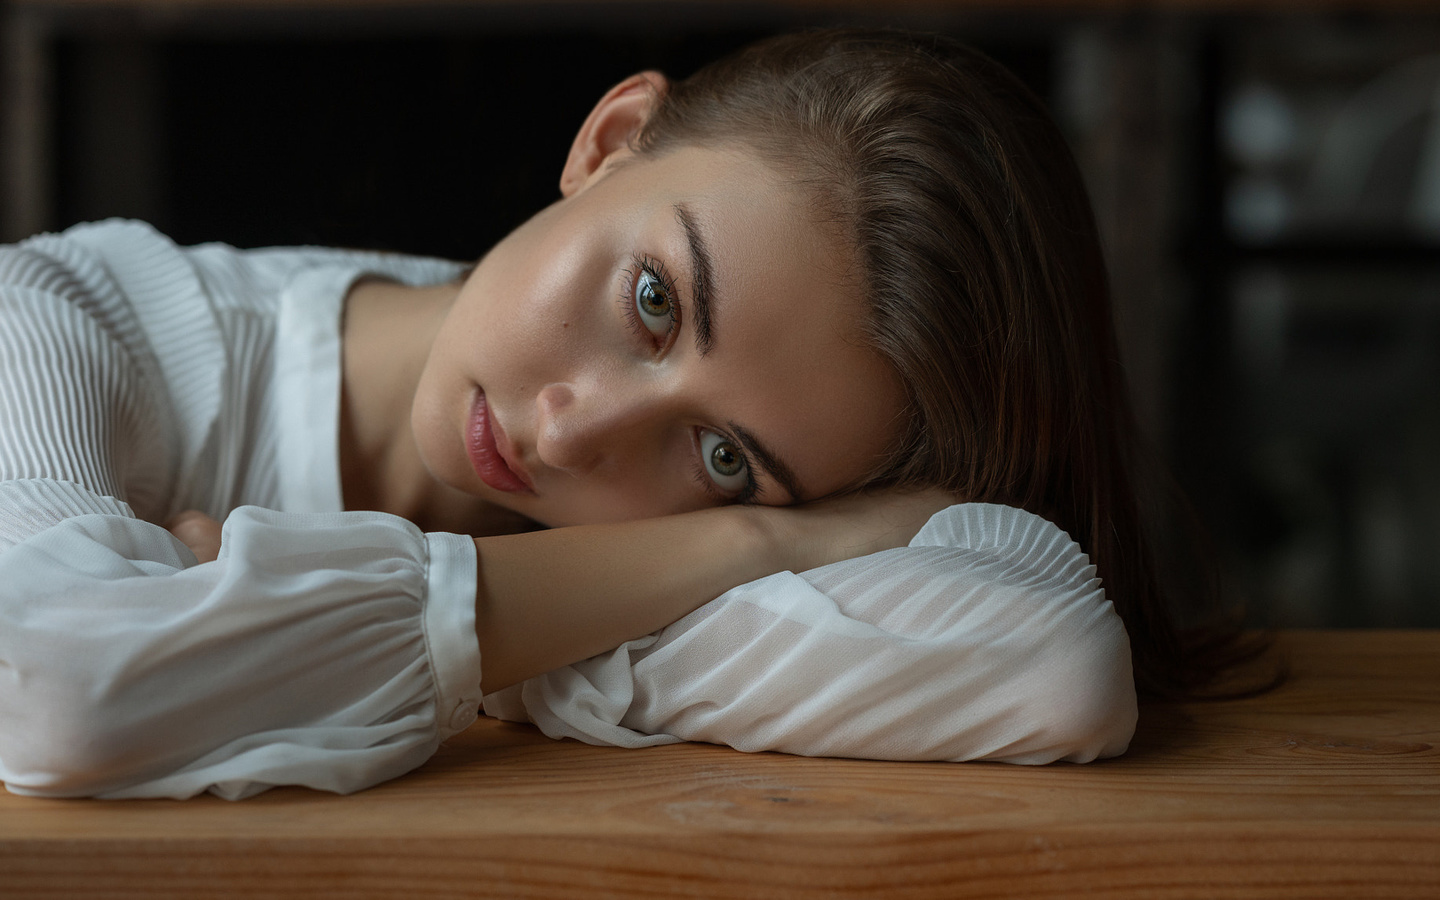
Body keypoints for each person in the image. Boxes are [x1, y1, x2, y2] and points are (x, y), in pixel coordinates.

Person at [0, 28, 1218, 801]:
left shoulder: (683, 541)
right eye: (654, 300)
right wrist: (732, 548)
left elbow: (1052, 665)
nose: (578, 434)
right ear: (610, 140)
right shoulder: (68, 318)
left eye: (727, 456)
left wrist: (254, 623)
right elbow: (53, 684)